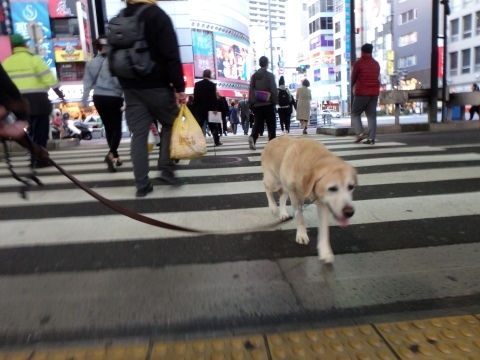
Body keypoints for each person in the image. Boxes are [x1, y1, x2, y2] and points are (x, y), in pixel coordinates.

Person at [115, 0, 186, 196]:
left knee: (138, 135)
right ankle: (166, 169)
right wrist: (179, 87)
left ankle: (142, 184)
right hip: (157, 84)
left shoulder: (121, 16)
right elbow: (171, 53)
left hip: (130, 86)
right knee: (171, 124)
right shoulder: (157, 15)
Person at [2, 34, 65, 166]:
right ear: (25, 45)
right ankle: (40, 156)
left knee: (26, 131)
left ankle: (33, 155)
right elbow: (49, 79)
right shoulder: (35, 60)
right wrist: (60, 94)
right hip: (38, 100)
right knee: (41, 130)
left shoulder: (6, 62)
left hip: (16, 103)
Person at [82, 35, 124, 173]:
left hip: (98, 97)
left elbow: (87, 84)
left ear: (98, 47)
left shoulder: (91, 63)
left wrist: (84, 101)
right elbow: (122, 83)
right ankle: (111, 154)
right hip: (114, 97)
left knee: (108, 127)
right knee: (117, 128)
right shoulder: (116, 62)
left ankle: (115, 156)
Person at [351, 43, 380, 145]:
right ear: (371, 51)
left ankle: (360, 133)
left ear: (362, 52)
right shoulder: (376, 64)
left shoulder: (359, 63)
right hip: (374, 93)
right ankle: (371, 138)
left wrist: (352, 86)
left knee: (355, 113)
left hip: (361, 93)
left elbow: (353, 77)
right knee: (371, 115)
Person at [248, 56, 277, 150]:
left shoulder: (254, 76)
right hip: (268, 103)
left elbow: (251, 90)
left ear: (259, 63)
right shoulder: (270, 75)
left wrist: (251, 103)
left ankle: (253, 137)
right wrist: (274, 101)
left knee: (257, 122)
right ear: (267, 63)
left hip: (257, 104)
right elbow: (273, 89)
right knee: (271, 124)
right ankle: (272, 142)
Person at [193, 69, 221, 145]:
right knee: (213, 126)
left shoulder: (197, 84)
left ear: (203, 75)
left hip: (200, 109)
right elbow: (213, 98)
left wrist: (195, 108)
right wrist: (215, 108)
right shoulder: (212, 85)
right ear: (210, 75)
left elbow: (195, 97)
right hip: (210, 109)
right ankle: (216, 141)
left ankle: (196, 141)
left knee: (198, 126)